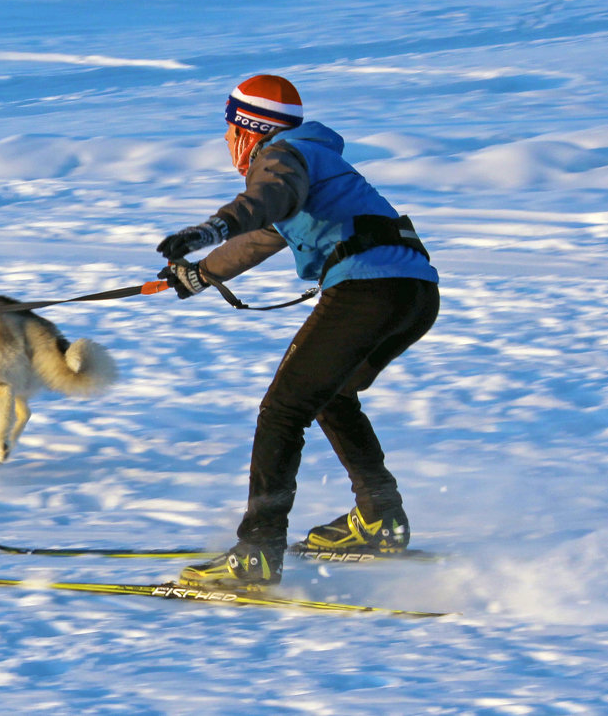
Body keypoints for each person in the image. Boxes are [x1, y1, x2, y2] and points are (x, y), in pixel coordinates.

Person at [155, 74, 440, 589]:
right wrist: (201, 273)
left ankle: (258, 552)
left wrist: (209, 230)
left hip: (368, 291)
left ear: (248, 129)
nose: (224, 142)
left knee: (282, 411)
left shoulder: (283, 157)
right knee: (331, 397)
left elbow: (268, 201)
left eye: (227, 129)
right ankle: (380, 519)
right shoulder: (313, 160)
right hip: (413, 292)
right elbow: (269, 230)